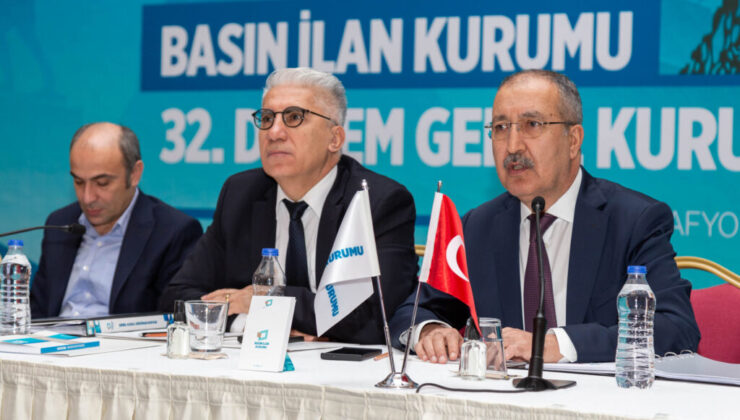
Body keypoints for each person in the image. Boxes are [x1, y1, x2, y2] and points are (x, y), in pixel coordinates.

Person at [390, 70, 700, 363]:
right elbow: (412, 311)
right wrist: (429, 330)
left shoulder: (633, 221)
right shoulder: (477, 227)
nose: (513, 146)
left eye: (532, 125)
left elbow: (675, 327)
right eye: (501, 128)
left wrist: (555, 345)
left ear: (573, 140)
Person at [160, 68, 418, 344]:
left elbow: (377, 317)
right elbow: (178, 297)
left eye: (294, 117)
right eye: (266, 118)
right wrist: (249, 322)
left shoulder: (377, 202)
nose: (274, 132)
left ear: (334, 139)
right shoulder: (240, 194)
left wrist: (265, 300)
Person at [31, 122, 203, 318]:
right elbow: (38, 309)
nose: (87, 197)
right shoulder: (60, 222)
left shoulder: (172, 231)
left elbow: (172, 316)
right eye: (78, 182)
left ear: (135, 174)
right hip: (52, 336)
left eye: (102, 183)